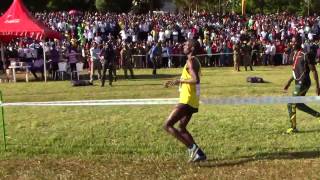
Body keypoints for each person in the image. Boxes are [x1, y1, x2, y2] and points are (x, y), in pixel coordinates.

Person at [163, 39, 206, 162]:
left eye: (186, 44)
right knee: (181, 127)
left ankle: (192, 148)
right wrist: (176, 81)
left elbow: (195, 80)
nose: (183, 45)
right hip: (192, 100)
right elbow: (189, 78)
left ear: (191, 48)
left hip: (186, 100)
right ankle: (200, 154)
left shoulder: (191, 61)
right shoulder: (195, 60)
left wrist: (180, 81)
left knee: (167, 125)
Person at [284, 36, 320, 134]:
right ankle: (318, 115)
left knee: (290, 103)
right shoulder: (294, 54)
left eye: (295, 42)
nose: (293, 43)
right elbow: (296, 71)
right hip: (297, 82)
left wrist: (318, 86)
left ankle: (293, 128)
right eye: (292, 42)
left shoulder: (305, 54)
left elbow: (313, 70)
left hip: (304, 83)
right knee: (298, 104)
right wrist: (289, 82)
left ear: (300, 42)